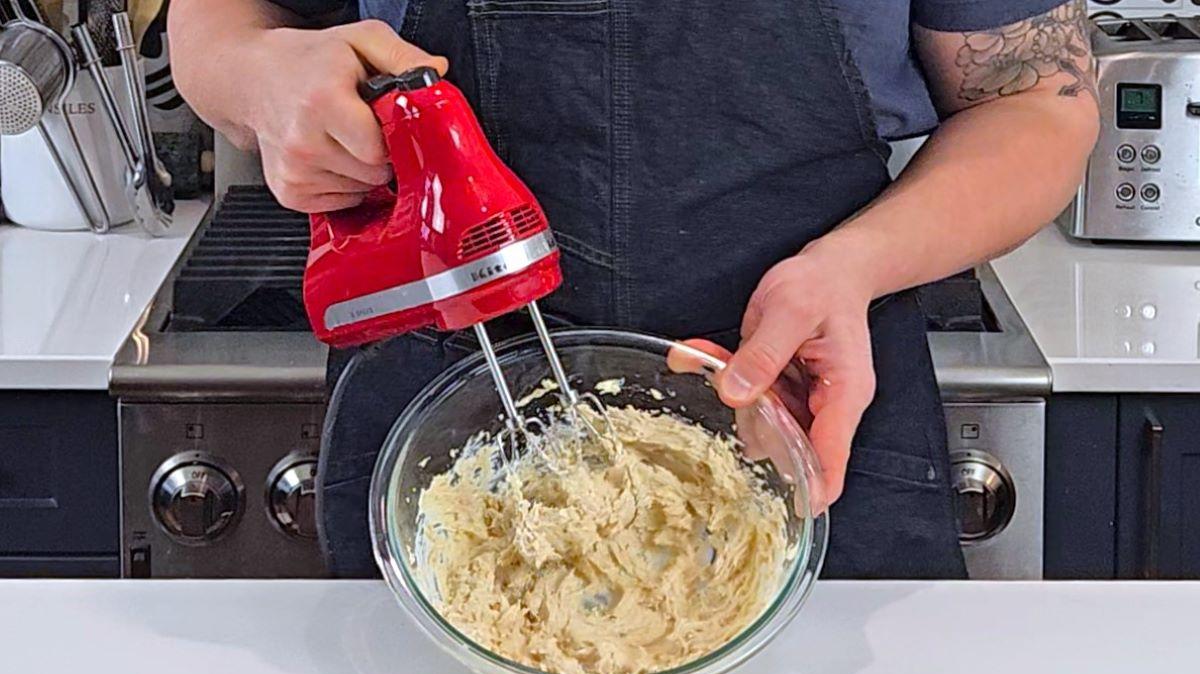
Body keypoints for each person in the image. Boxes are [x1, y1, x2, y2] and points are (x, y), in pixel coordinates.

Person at [169, 0, 1098, 578]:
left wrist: (854, 265)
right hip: (442, 439)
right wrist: (263, 80)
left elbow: (1036, 100)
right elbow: (216, 22)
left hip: (804, 406)